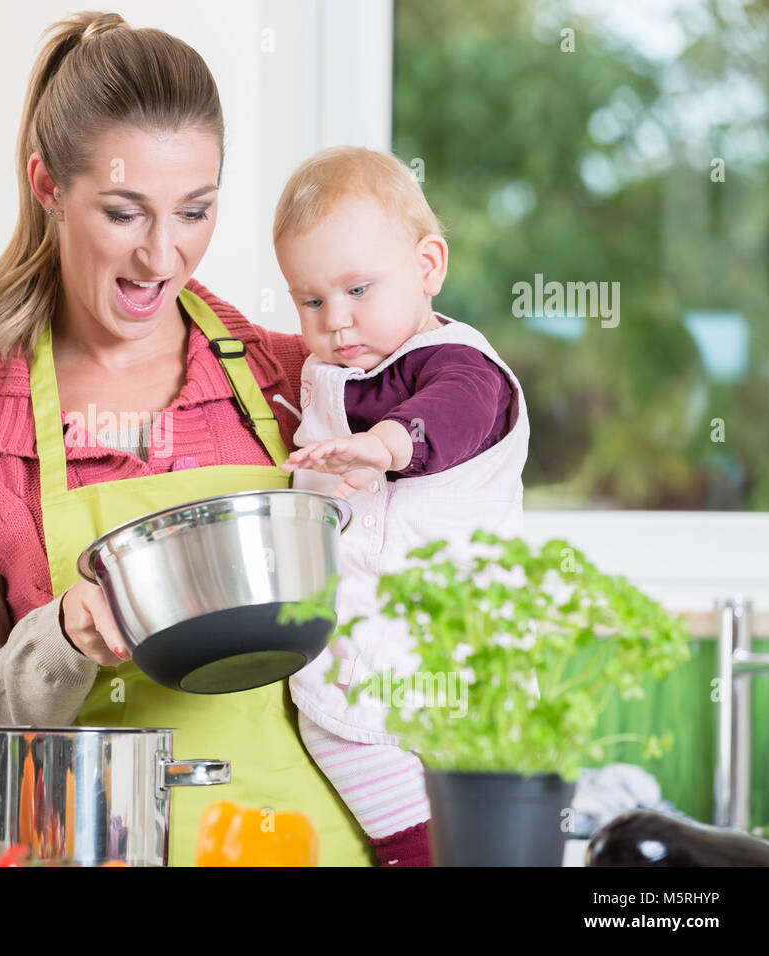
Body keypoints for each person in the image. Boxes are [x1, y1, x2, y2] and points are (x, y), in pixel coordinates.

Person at [0, 11, 373, 866]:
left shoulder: (297, 380)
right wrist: (61, 639)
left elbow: (476, 408)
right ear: (48, 186)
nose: (162, 255)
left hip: (305, 844)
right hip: (81, 849)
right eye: (124, 212)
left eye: (195, 210)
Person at [275, 146, 530, 865]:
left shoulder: (462, 364)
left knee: (482, 829)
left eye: (359, 290)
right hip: (353, 665)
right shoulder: (324, 374)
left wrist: (388, 445)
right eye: (312, 301)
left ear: (427, 268)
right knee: (402, 824)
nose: (339, 321)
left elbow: (454, 413)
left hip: (459, 662)